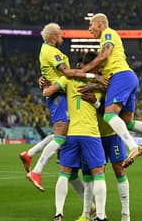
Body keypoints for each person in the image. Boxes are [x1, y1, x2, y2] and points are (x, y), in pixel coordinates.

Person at [80, 13, 142, 168]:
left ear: (99, 23)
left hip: (121, 76)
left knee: (109, 116)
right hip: (128, 77)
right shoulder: (107, 39)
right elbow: (105, 81)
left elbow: (104, 55)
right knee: (127, 122)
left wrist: (84, 71)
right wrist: (94, 84)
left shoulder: (108, 33)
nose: (89, 30)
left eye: (90, 25)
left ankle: (133, 147)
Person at [18, 22, 106, 191]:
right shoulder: (51, 51)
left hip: (60, 95)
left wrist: (45, 81)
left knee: (62, 134)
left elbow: (54, 74)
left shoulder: (48, 51)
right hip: (58, 97)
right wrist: (92, 75)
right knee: (60, 137)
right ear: (53, 37)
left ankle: (29, 154)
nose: (62, 37)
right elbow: (66, 73)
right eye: (60, 35)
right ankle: (37, 170)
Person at [42, 54, 108, 221]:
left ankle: (58, 214)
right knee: (98, 173)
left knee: (64, 174)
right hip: (91, 134)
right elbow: (106, 108)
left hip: (71, 133)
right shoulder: (100, 84)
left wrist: (45, 82)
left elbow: (48, 92)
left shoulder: (67, 79)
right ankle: (100, 216)